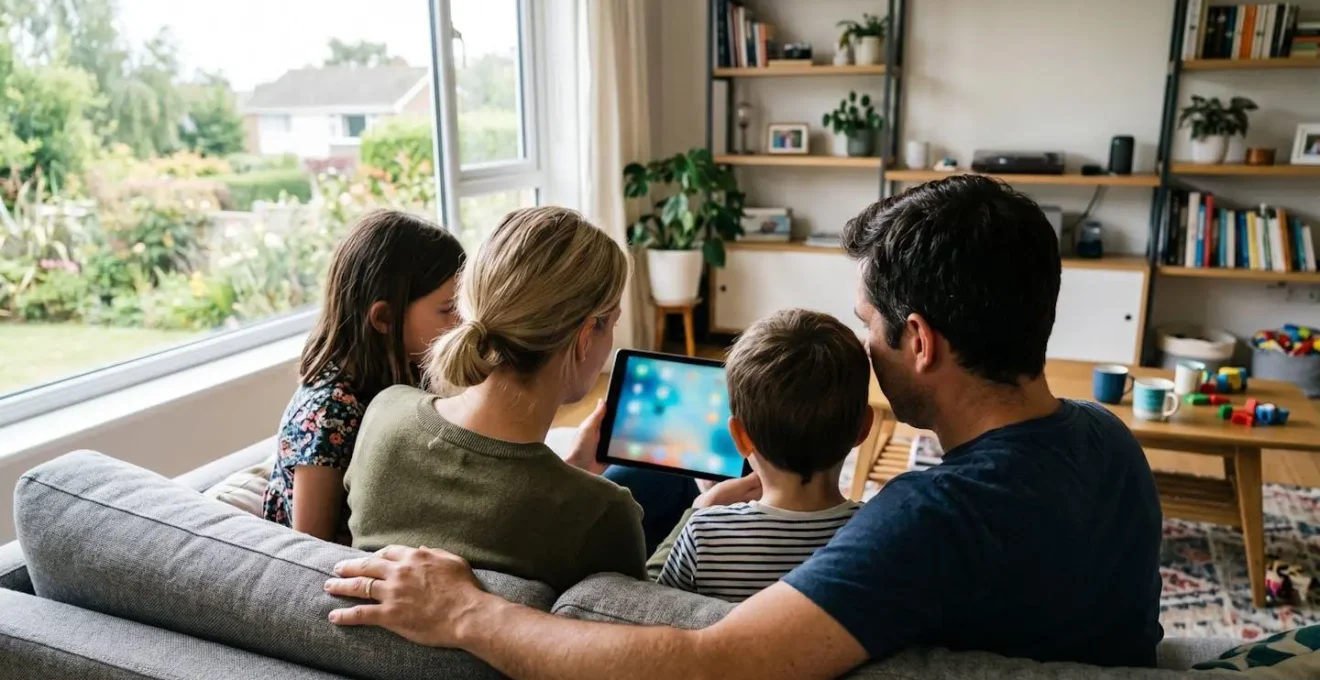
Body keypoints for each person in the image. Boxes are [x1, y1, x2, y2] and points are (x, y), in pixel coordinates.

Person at [324, 176, 1164, 679]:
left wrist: (467, 613)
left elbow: (709, 663)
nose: (865, 345)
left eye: (868, 323)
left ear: (919, 341)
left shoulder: (928, 520)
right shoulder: (1107, 441)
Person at [344, 207, 679, 592]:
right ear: (586, 337)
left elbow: (486, 506)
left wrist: (574, 467)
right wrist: (698, 524)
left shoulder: (384, 413)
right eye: (613, 323)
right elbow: (631, 613)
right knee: (678, 486)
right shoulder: (602, 512)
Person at [262, 209, 465, 542]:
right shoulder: (330, 413)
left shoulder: (412, 370)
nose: (462, 322)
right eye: (447, 309)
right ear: (384, 318)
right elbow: (309, 549)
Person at [655, 309, 872, 602]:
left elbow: (654, 605)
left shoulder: (702, 534)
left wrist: (703, 508)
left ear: (740, 438)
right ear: (863, 429)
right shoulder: (877, 537)